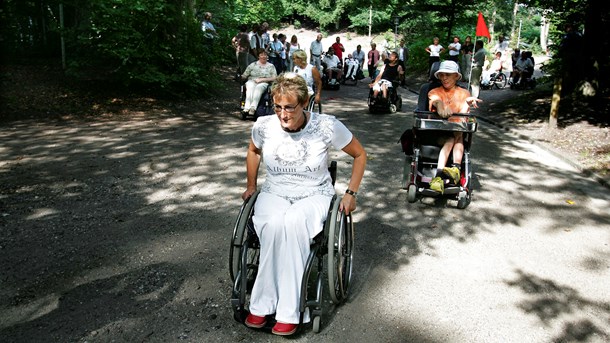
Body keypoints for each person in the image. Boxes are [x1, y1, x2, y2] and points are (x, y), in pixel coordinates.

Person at [241, 72, 366, 336]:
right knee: (273, 227)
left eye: (289, 107)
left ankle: (290, 312)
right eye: (278, 107)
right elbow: (253, 151)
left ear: (305, 102)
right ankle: (262, 305)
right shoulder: (264, 125)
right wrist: (251, 185)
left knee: (294, 223)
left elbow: (360, 154)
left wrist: (350, 193)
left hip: (314, 194)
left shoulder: (327, 126)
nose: (283, 114)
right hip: (275, 191)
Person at [427, 61, 480, 194]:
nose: (444, 78)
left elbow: (462, 116)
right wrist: (440, 107)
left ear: (456, 76)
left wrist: (467, 103)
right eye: (442, 75)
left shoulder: (464, 93)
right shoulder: (434, 91)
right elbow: (436, 100)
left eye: (448, 75)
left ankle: (453, 170)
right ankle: (441, 175)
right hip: (435, 132)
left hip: (456, 131)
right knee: (452, 137)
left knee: (457, 133)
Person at [241, 50, 278, 115]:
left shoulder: (271, 66)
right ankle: (246, 108)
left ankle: (253, 108)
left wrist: (263, 79)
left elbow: (275, 78)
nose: (263, 56)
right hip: (252, 81)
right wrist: (241, 77)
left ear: (267, 56)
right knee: (250, 86)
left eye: (265, 55)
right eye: (261, 55)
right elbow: (245, 75)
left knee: (259, 87)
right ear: (258, 56)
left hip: (264, 82)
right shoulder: (253, 65)